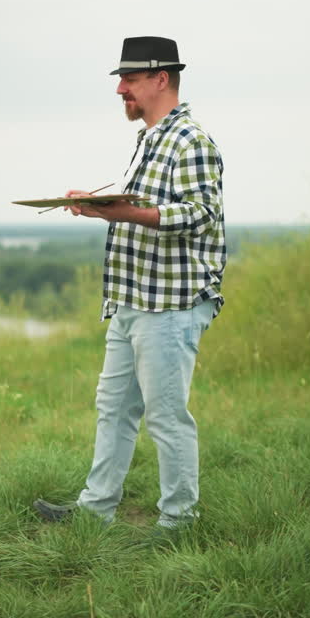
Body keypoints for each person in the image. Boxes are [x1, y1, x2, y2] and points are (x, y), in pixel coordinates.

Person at [32, 36, 226, 530]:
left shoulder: (191, 141)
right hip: (131, 299)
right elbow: (141, 207)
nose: (121, 89)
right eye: (122, 80)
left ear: (161, 79)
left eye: (131, 79)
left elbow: (200, 214)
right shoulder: (150, 139)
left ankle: (179, 524)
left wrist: (128, 212)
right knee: (114, 409)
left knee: (165, 417)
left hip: (170, 305)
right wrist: (100, 204)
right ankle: (95, 512)